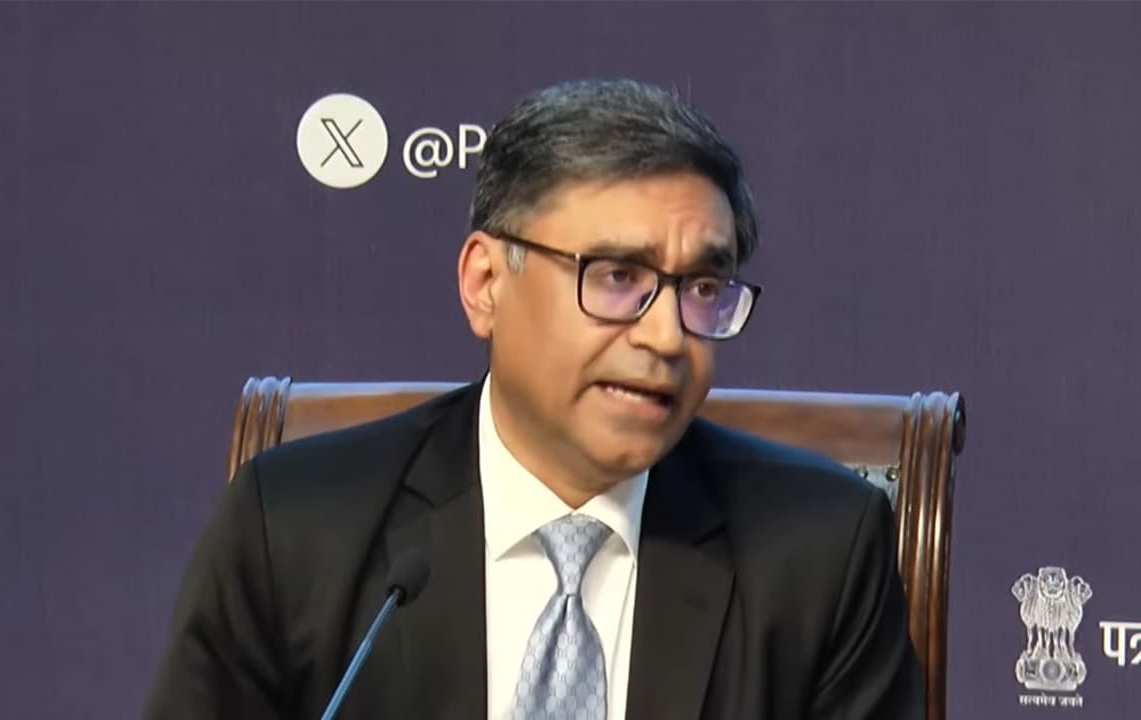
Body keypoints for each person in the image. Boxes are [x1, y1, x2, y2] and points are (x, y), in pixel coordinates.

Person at [143, 78, 923, 720]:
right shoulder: (296, 531)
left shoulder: (818, 553)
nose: (666, 336)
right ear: (486, 283)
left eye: (702, 288)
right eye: (618, 277)